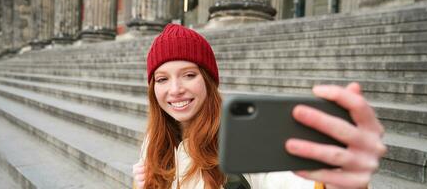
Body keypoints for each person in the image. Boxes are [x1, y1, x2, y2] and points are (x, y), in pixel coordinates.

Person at [132, 24, 386, 189]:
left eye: (189, 75)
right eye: (163, 79)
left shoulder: (241, 139)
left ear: (208, 81)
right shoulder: (154, 141)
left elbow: (290, 182)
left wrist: (337, 182)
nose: (175, 89)